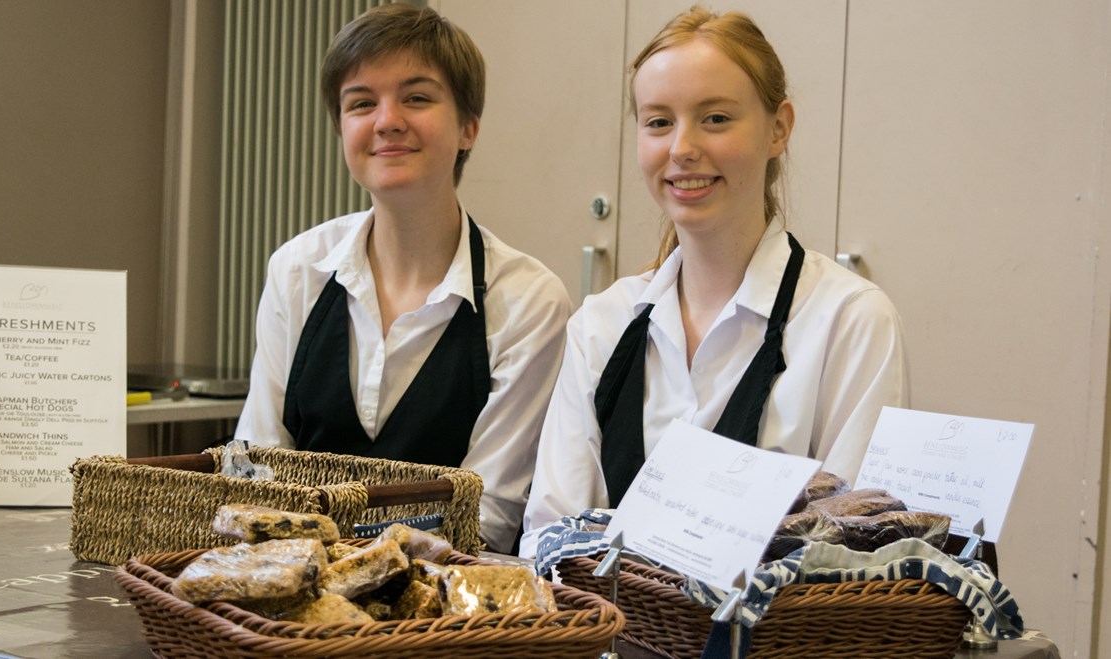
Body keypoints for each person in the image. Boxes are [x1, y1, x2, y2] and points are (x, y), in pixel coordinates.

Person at [519, 7, 908, 558]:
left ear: (779, 128)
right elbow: (548, 539)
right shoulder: (601, 324)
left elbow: (856, 548)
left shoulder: (850, 320)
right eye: (659, 122)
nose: (681, 148)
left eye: (716, 118)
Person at [234, 3, 572, 554]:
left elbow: (486, 516)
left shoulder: (529, 301)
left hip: (446, 596)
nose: (387, 120)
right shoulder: (297, 270)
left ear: (468, 127)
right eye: (361, 103)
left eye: (416, 98)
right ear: (342, 128)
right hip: (293, 585)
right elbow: (254, 468)